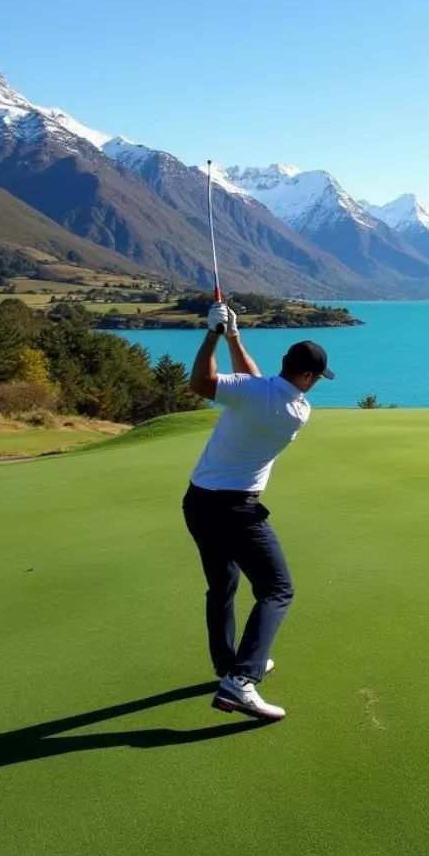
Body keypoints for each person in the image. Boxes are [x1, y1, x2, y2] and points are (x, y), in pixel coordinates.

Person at [183, 301, 334, 721]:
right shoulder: (297, 410)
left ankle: (228, 665)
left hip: (197, 502)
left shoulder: (253, 394)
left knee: (222, 587)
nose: (315, 384)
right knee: (277, 590)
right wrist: (225, 336)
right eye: (317, 377)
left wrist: (219, 335)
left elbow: (205, 383)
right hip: (236, 509)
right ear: (305, 377)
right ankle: (241, 680)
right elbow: (227, 383)